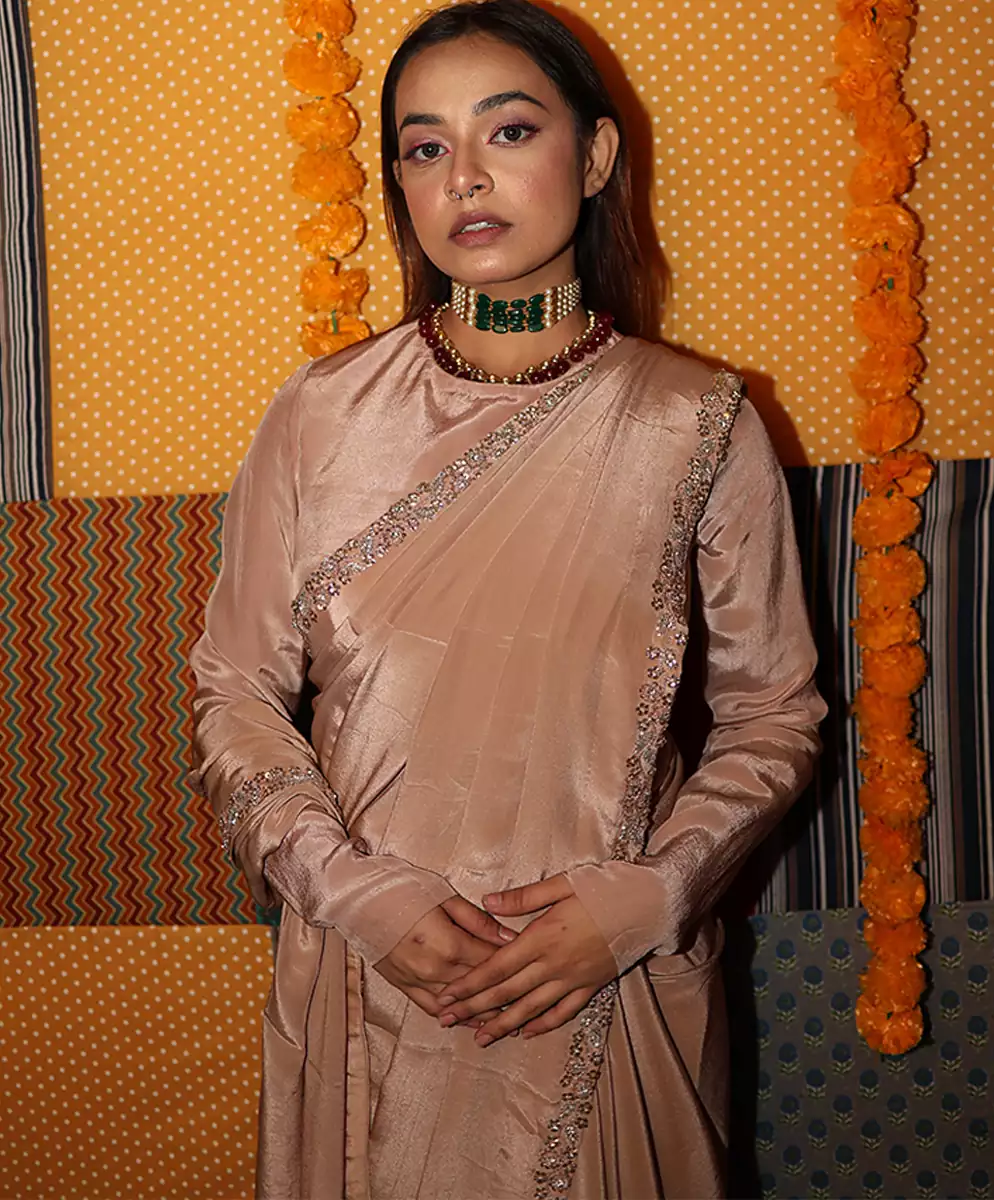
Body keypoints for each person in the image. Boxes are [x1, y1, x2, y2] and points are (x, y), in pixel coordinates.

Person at [188, 1, 826, 1196]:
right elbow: (234, 693)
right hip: (367, 974)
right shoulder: (320, 417)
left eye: (510, 130)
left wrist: (650, 898)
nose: (465, 177)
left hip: (611, 982)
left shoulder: (696, 423)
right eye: (425, 146)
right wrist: (351, 891)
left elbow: (774, 714)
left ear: (594, 155)